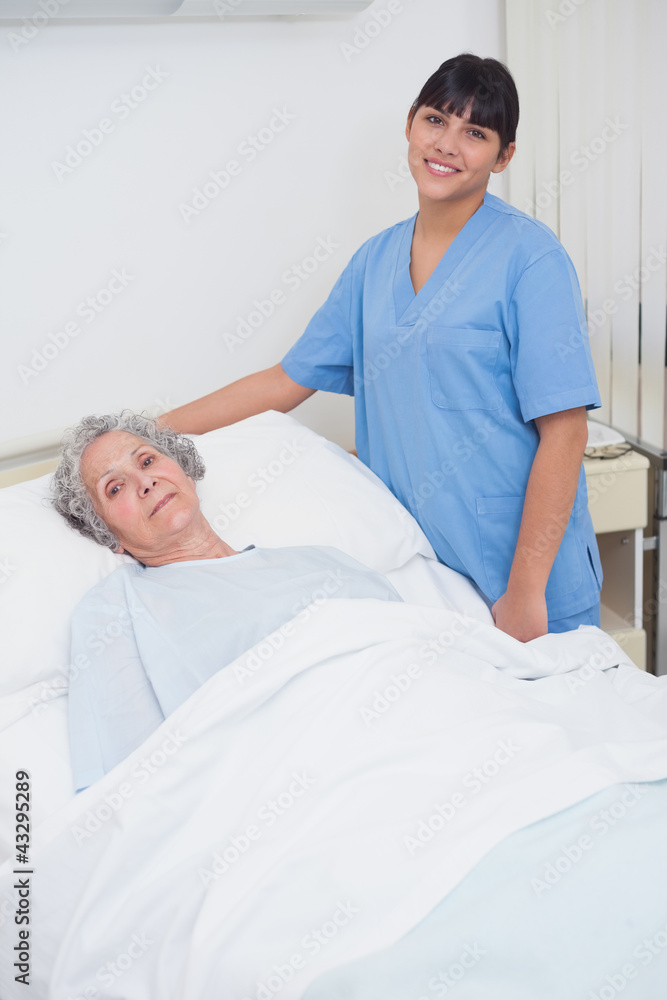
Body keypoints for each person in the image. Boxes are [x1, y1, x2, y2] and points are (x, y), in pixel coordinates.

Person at [159, 53, 603, 644]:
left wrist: (524, 592)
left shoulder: (532, 262)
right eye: (435, 120)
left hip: (526, 582)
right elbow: (285, 381)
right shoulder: (374, 263)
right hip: (421, 576)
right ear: (410, 125)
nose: (447, 144)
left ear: (504, 156)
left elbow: (566, 431)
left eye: (475, 132)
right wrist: (143, 432)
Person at [50, 412, 402, 791]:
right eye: (114, 488)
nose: (145, 482)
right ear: (107, 533)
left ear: (184, 470)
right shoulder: (118, 607)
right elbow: (125, 781)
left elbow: (414, 638)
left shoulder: (322, 561)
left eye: (147, 461)